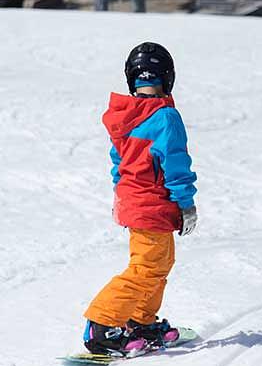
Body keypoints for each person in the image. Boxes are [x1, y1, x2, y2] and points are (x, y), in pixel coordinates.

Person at [82, 42, 198, 357]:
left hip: (137, 203)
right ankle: (102, 323)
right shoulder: (165, 117)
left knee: (159, 265)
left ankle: (140, 320)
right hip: (153, 205)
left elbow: (119, 162)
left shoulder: (126, 116)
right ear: (168, 77)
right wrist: (186, 203)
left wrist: (124, 196)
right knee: (146, 267)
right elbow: (176, 164)